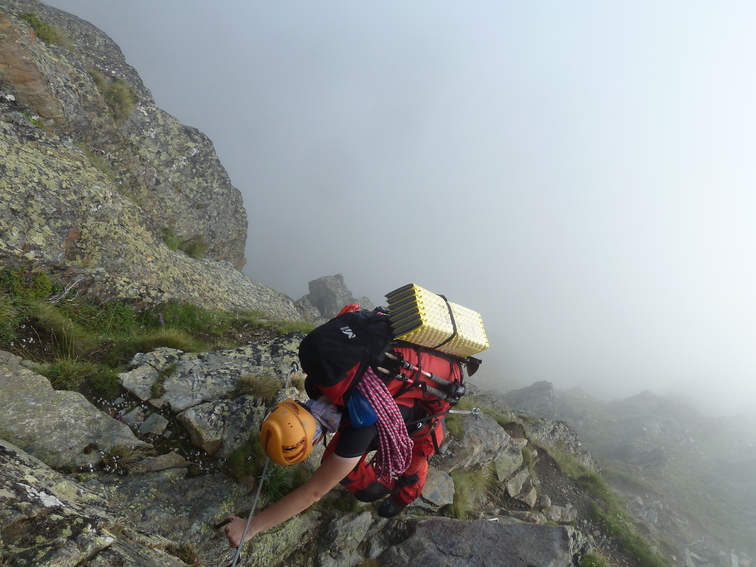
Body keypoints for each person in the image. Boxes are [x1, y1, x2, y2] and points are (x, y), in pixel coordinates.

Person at [223, 367, 444, 548]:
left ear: (314, 439)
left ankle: (402, 498)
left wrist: (250, 528)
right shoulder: (318, 380)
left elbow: (314, 492)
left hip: (424, 427)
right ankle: (382, 485)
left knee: (412, 472)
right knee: (338, 465)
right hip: (389, 403)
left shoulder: (358, 433)